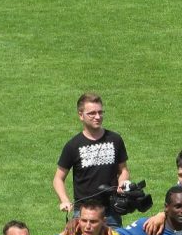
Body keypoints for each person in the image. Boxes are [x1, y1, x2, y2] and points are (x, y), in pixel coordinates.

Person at [53, 92, 130, 224]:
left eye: (100, 112)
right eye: (92, 113)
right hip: (83, 213)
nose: (98, 117)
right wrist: (64, 200)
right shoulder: (73, 145)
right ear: (80, 115)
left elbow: (123, 170)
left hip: (111, 212)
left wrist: (122, 183)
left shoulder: (115, 139)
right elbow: (58, 178)